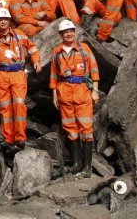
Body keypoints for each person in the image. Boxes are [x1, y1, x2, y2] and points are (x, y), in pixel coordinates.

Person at [0, 8, 41, 153]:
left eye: (5, 19)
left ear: (9, 20)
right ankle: (8, 139)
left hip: (18, 73)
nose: (2, 21)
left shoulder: (20, 35)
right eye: (0, 19)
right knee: (4, 108)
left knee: (19, 105)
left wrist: (36, 61)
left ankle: (20, 138)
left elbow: (32, 47)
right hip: (0, 74)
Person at [50, 19, 99, 177]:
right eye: (66, 32)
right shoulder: (56, 51)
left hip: (82, 90)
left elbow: (94, 69)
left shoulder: (84, 49)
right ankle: (77, 164)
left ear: (74, 33)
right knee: (70, 129)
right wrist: (55, 95)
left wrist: (95, 90)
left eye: (71, 31)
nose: (69, 34)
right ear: (61, 34)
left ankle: (87, 167)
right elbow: (53, 75)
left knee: (86, 128)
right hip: (64, 92)